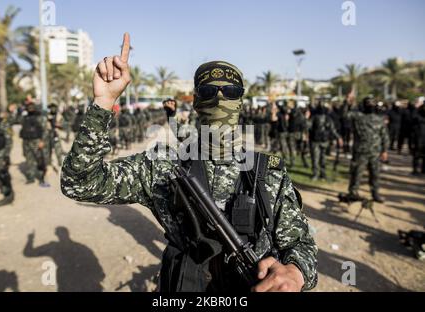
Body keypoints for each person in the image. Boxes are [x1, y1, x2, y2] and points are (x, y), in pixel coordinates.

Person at [61, 33, 317, 292]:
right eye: (208, 91)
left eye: (229, 91)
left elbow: (300, 244)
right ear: (195, 102)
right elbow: (80, 183)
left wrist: (295, 272)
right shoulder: (163, 166)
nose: (219, 98)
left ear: (239, 101)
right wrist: (103, 104)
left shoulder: (267, 173)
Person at [347, 96, 389, 203]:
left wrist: (384, 150)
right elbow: (344, 115)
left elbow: (384, 136)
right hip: (360, 152)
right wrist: (349, 103)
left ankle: (375, 193)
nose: (370, 106)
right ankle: (353, 193)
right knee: (357, 173)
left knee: (375, 174)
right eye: (368, 104)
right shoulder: (357, 117)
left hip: (375, 153)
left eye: (371, 104)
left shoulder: (380, 120)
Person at [309, 102, 342, 181]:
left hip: (324, 141)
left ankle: (322, 174)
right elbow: (308, 126)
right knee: (315, 159)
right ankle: (316, 174)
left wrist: (339, 138)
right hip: (315, 141)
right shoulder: (314, 117)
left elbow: (333, 130)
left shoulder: (328, 118)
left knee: (322, 159)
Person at [19, 103, 47, 186]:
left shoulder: (40, 118)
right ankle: (31, 178)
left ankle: (41, 178)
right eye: (29, 107)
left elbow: (44, 130)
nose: (30, 109)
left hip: (36, 141)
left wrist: (42, 141)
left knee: (39, 160)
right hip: (26, 141)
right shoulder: (24, 118)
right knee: (29, 160)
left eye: (32, 107)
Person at [411, 100, 425, 175]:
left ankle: (423, 169)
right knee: (416, 154)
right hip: (418, 136)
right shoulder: (417, 112)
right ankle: (415, 170)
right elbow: (414, 118)